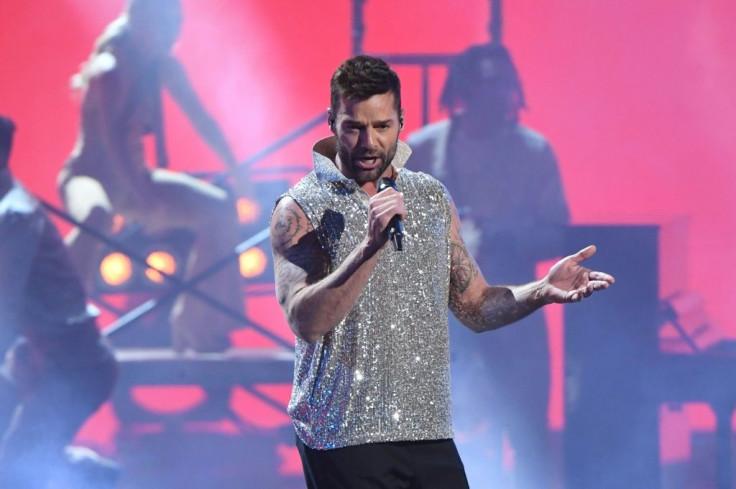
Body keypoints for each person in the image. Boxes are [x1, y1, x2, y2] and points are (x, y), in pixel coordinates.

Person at [269, 55, 613, 489]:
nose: (368, 142)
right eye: (354, 127)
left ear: (401, 121)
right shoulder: (300, 209)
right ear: (332, 121)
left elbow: (474, 307)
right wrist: (369, 247)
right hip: (343, 433)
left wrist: (541, 289)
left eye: (382, 126)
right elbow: (307, 322)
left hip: (426, 431)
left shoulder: (430, 197)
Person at [407, 43, 570, 488]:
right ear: (463, 90)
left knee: (527, 432)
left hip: (514, 311)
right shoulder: (421, 151)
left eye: (504, 84)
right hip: (441, 320)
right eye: (486, 84)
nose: (498, 94)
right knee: (437, 434)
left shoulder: (533, 151)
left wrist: (507, 235)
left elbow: (558, 231)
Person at [58, 0, 245, 352]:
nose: (174, 31)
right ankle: (60, 315)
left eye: (177, 22)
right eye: (167, 22)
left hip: (136, 177)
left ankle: (195, 322)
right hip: (90, 176)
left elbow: (201, 118)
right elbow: (112, 139)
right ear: (143, 21)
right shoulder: (109, 69)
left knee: (219, 209)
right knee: (95, 216)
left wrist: (237, 168)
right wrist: (141, 196)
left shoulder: (162, 66)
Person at [0, 115, 119, 488]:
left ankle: (91, 475)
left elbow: (4, 305)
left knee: (18, 471)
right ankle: (83, 468)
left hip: (72, 369)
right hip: (44, 363)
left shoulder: (15, 217)